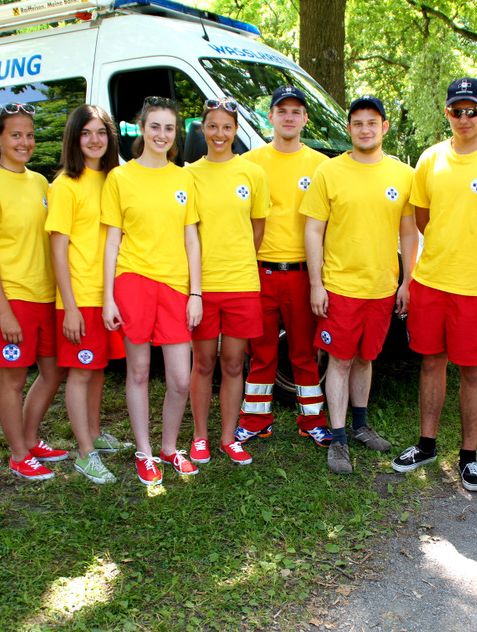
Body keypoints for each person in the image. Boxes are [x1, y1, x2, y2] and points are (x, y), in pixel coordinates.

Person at [390, 77, 477, 493]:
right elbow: (423, 219)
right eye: (456, 111)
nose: (464, 118)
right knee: (431, 363)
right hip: (431, 281)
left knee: (472, 370)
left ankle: (468, 457)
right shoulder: (430, 158)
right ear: (447, 113)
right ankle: (426, 445)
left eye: (472, 110)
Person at [302, 95, 419, 474]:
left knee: (367, 358)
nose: (365, 130)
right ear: (349, 128)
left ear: (384, 127)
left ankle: (360, 425)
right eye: (357, 123)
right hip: (340, 288)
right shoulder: (329, 171)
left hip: (382, 288)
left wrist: (407, 281)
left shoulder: (403, 174)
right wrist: (316, 283)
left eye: (372, 123)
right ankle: (337, 440)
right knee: (339, 360)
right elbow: (313, 230)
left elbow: (408, 232)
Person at [0, 103, 68, 481]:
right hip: (7, 299)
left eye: (30, 135)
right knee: (13, 379)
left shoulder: (40, 182)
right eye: (15, 135)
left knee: (54, 371)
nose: (25, 142)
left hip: (43, 295)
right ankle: (19, 455)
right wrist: (4, 312)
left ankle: (30, 439)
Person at [101, 96, 202, 486]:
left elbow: (191, 239)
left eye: (169, 128)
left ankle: (169, 447)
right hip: (133, 282)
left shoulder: (184, 178)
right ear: (142, 128)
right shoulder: (120, 178)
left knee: (180, 379)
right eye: (155, 126)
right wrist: (108, 297)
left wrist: (196, 293)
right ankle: (145, 451)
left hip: (176, 287)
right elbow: (112, 241)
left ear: (176, 133)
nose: (162, 134)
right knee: (139, 371)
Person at [236, 86, 333, 449]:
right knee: (260, 352)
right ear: (271, 117)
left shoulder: (321, 165)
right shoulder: (250, 163)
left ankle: (313, 421)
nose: (289, 117)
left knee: (304, 353)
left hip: (303, 272)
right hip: (259, 271)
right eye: (282, 111)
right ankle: (255, 421)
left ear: (305, 118)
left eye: (296, 111)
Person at [186, 98, 270, 466]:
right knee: (203, 363)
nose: (219, 133)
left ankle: (227, 438)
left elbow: (257, 229)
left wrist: (237, 260)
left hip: (242, 285)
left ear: (235, 130)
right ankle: (200, 437)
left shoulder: (252, 173)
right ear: (203, 129)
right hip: (202, 286)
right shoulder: (188, 174)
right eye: (212, 126)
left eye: (226, 127)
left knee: (234, 364)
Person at [45, 104, 125, 484]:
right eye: (86, 133)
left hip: (107, 294)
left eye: (101, 132)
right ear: (74, 139)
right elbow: (58, 250)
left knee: (97, 370)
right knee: (80, 374)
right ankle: (84, 453)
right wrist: (71, 308)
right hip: (80, 298)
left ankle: (95, 433)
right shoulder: (65, 184)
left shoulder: (113, 179)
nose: (95, 140)